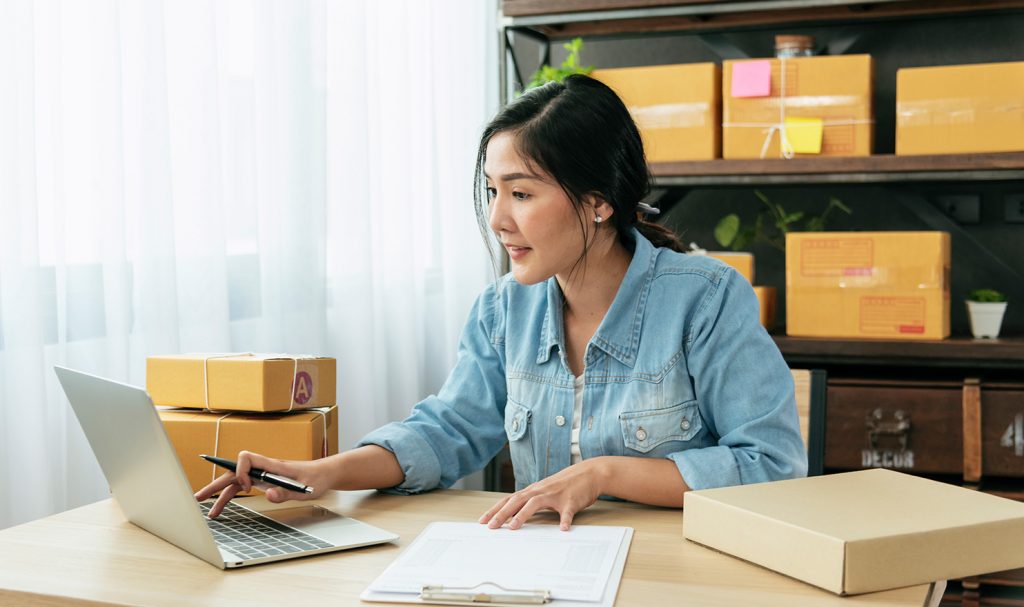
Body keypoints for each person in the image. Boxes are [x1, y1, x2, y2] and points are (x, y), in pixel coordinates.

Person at [196, 74, 807, 531]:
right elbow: (447, 431)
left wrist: (604, 474)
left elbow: (773, 465)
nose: (496, 218)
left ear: (598, 202)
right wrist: (321, 473)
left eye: (521, 192)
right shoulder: (502, 311)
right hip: (548, 571)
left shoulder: (705, 298)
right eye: (493, 190)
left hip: (680, 580)